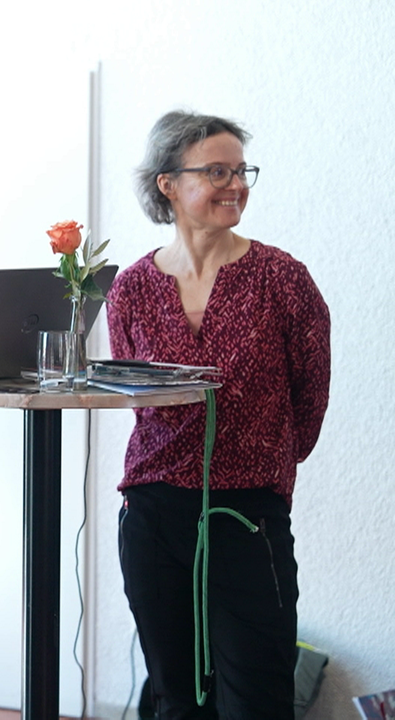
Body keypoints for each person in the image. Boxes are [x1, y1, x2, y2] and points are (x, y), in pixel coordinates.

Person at [108, 111, 330, 719]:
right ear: (168, 184)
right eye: (216, 172)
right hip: (152, 516)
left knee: (258, 702)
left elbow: (309, 401)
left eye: (240, 171)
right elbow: (139, 402)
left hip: (247, 516)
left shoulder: (283, 280)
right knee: (177, 701)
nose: (235, 185)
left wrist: (256, 459)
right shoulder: (130, 289)